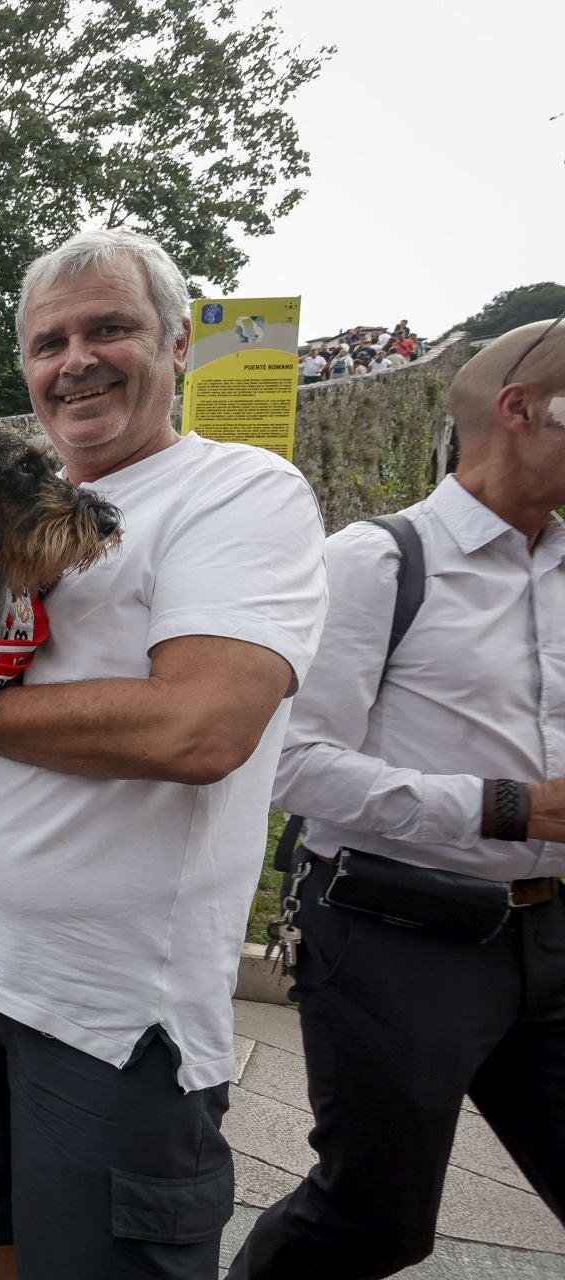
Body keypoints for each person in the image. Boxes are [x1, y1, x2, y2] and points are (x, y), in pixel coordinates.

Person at [0, 229, 327, 1280]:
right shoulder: (6, 502)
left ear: (179, 342)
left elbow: (199, 727)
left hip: (105, 1007)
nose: (74, 359)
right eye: (49, 342)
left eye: (110, 329)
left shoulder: (241, 495)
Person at [227, 316, 565, 1278]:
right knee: (372, 1219)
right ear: (521, 410)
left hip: (549, 935)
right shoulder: (377, 562)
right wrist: (512, 807)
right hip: (399, 937)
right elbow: (288, 763)